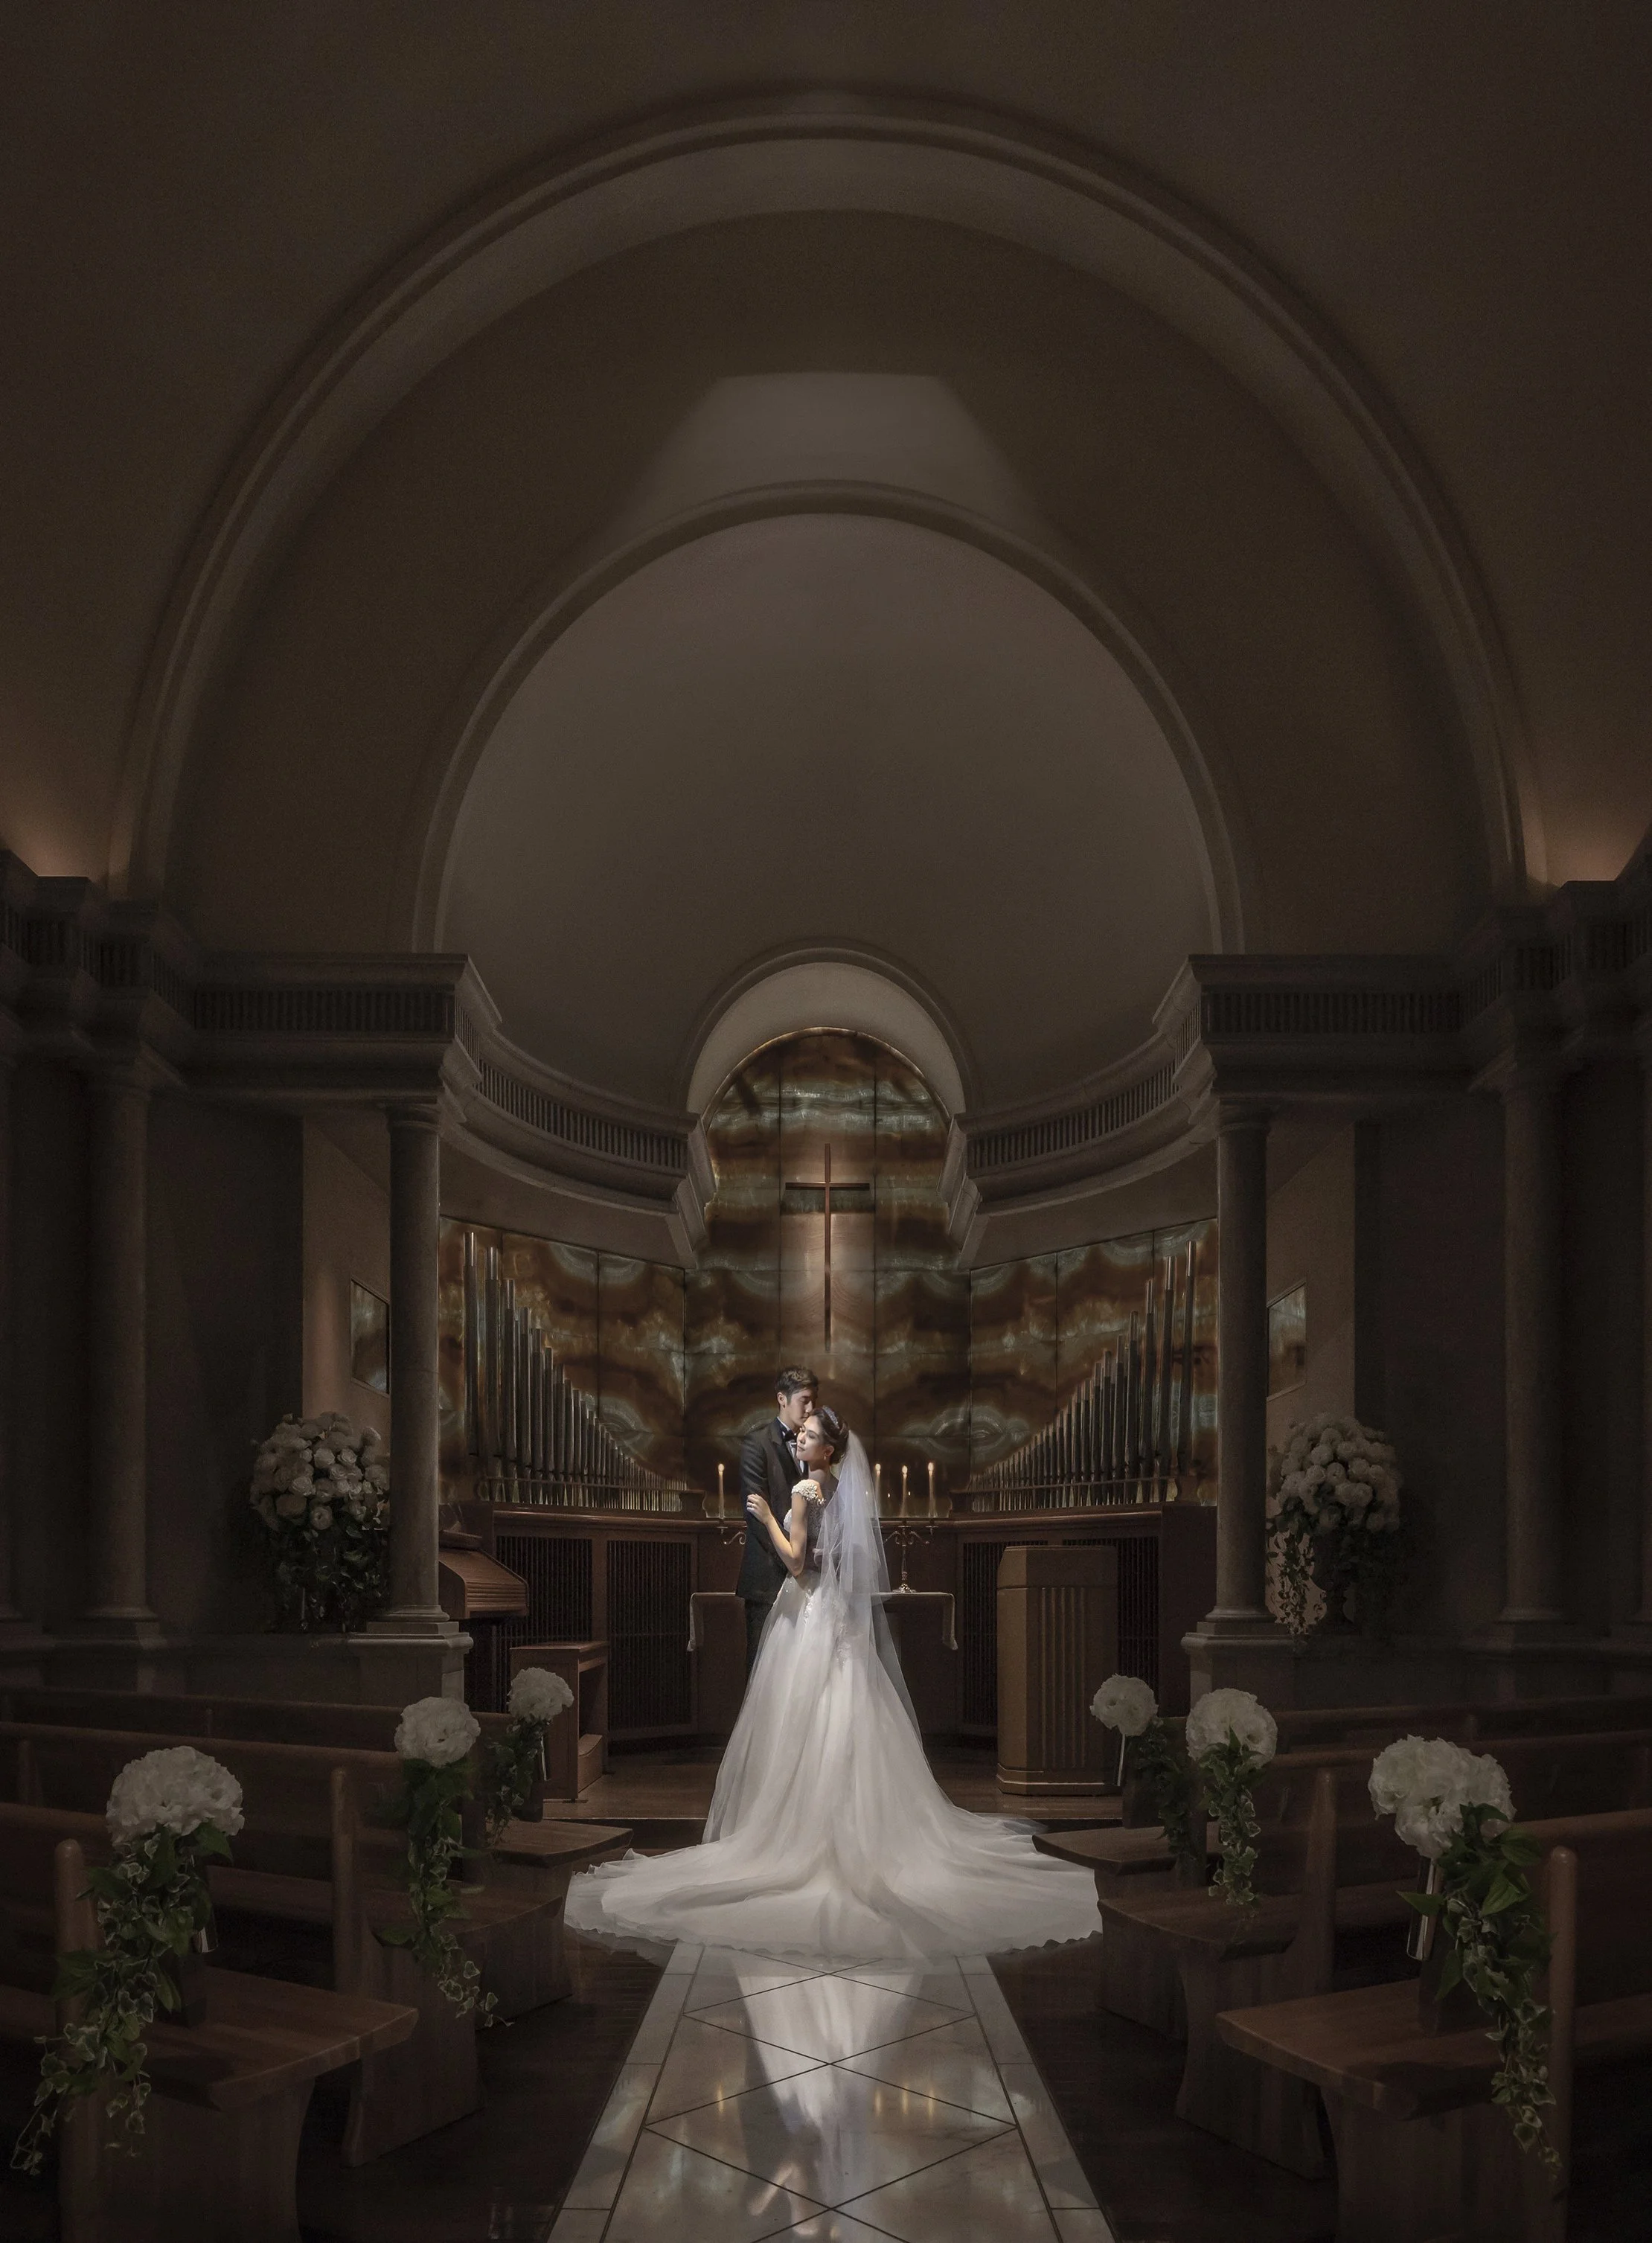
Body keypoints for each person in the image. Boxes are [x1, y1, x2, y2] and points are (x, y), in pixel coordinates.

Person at [564, 1406, 1101, 1964]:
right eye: (800, 1432)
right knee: (850, 1715)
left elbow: (797, 1564)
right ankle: (865, 1836)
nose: (800, 1438)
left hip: (808, 1615)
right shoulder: (843, 1489)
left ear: (828, 1449)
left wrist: (767, 1517)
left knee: (801, 1720)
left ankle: (800, 1837)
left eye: (810, 1435)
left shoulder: (804, 1489)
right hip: (837, 1620)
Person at [735, 1366, 817, 1677]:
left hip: (807, 1578)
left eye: (813, 1402)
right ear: (782, 1399)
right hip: (768, 1578)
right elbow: (757, 1515)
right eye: (804, 1401)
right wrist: (794, 1561)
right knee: (763, 1676)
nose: (810, 1409)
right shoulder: (757, 1444)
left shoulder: (815, 1443)